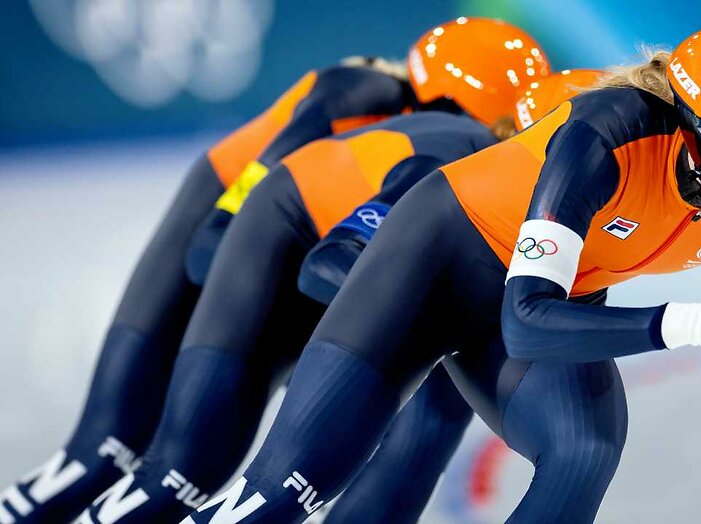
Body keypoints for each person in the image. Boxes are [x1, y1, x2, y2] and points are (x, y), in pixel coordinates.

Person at [182, 17, 701, 524]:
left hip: (535, 301)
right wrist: (692, 322)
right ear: (695, 135)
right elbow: (525, 321)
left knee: (584, 450)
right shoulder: (604, 138)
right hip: (435, 268)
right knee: (287, 489)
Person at [0, 20, 547, 520]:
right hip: (228, 228)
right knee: (120, 451)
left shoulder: (448, 150)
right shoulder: (360, 92)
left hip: (296, 246)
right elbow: (213, 242)